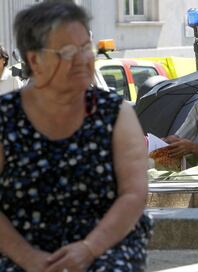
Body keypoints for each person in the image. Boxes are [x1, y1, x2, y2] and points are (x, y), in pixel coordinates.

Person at [0, 1, 152, 271]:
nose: (83, 60)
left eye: (86, 48)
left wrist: (88, 248)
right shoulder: (5, 116)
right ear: (34, 60)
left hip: (106, 245)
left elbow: (134, 193)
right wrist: (28, 258)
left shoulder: (115, 113)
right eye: (68, 52)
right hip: (22, 247)